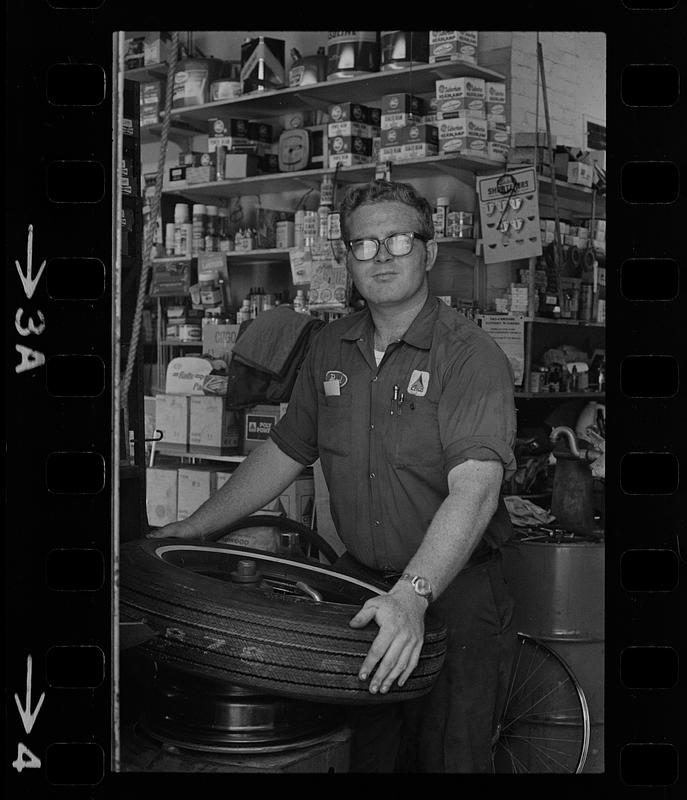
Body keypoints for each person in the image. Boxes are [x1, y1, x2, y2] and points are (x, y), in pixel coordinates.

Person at [149, 179, 518, 772]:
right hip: (365, 590)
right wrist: (189, 531)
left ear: (429, 251)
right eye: (364, 245)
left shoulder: (469, 355)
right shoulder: (329, 347)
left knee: (449, 756)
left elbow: (475, 491)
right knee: (366, 753)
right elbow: (283, 455)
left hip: (454, 593)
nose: (382, 255)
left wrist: (413, 596)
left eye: (398, 239)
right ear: (347, 259)